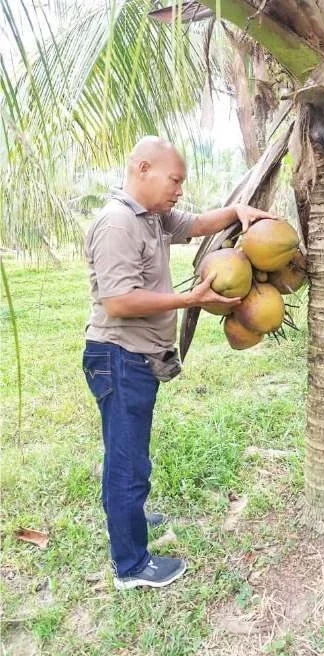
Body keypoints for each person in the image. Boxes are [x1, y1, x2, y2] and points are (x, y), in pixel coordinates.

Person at [82, 136, 277, 590]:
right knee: (128, 462)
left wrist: (239, 213)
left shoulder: (150, 216)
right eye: (175, 180)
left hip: (133, 359)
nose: (179, 190)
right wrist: (190, 297)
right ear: (143, 168)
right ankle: (131, 567)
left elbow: (194, 224)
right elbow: (117, 301)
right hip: (118, 357)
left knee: (128, 453)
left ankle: (129, 514)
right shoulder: (117, 224)